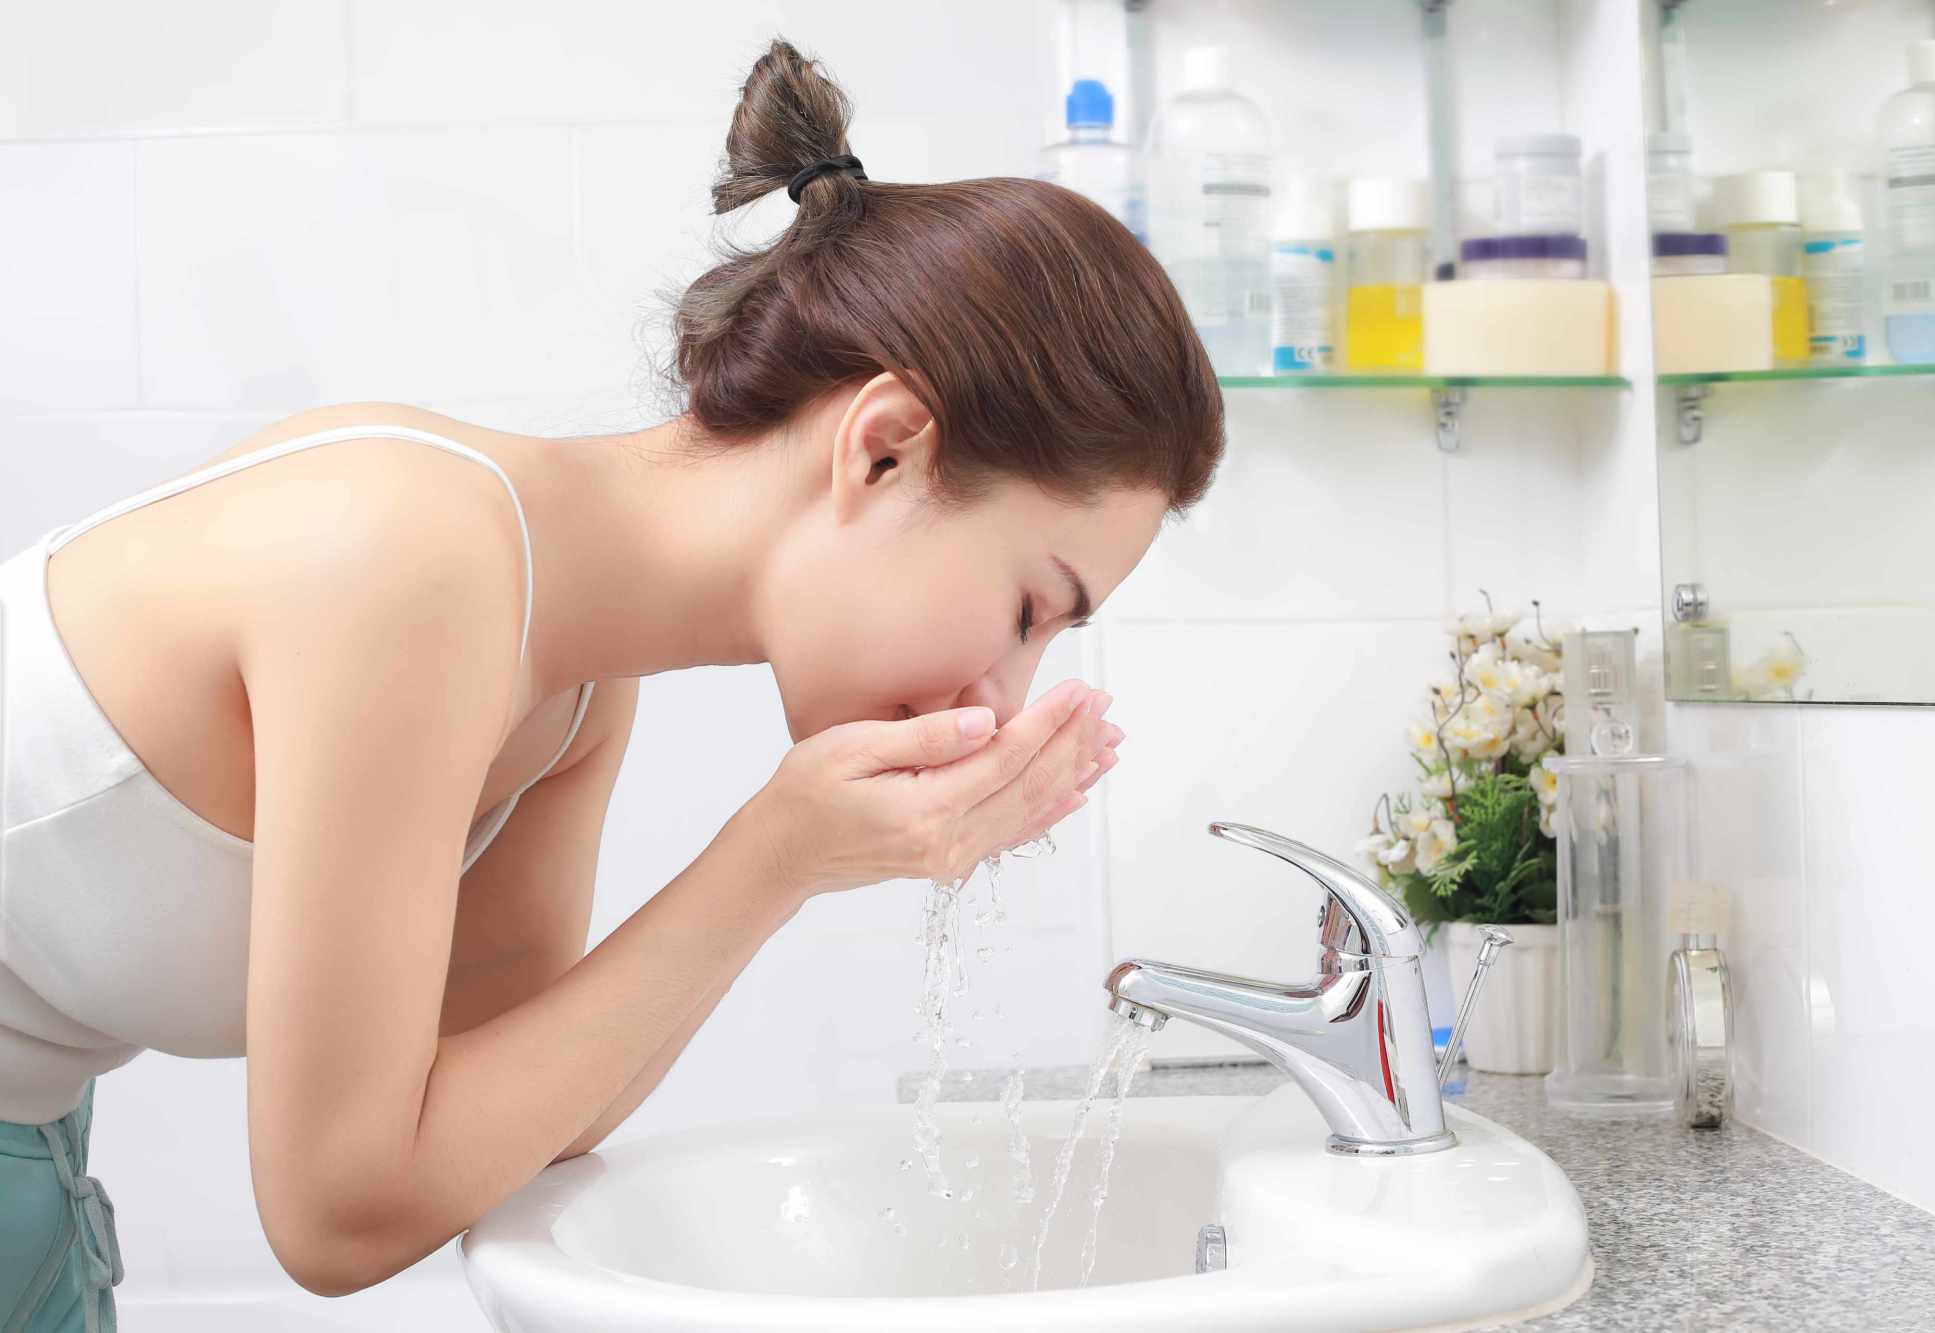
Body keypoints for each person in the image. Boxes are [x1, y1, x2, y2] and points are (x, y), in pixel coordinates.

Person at [0, 34, 1223, 1325]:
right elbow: (339, 1211)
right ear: (884, 450)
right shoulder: (415, 565)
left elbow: (511, 1126)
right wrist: (769, 858)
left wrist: (798, 860)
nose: (1004, 699)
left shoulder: (574, 679)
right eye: (1029, 610)